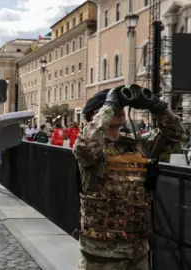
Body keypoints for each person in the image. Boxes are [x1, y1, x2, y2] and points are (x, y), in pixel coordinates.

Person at [74, 85, 186, 270]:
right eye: (111, 108)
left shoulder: (137, 145)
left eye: (120, 107)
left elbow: (176, 134)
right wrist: (109, 106)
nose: (118, 111)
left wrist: (157, 106)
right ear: (96, 115)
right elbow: (86, 145)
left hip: (138, 247)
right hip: (102, 250)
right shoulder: (92, 149)